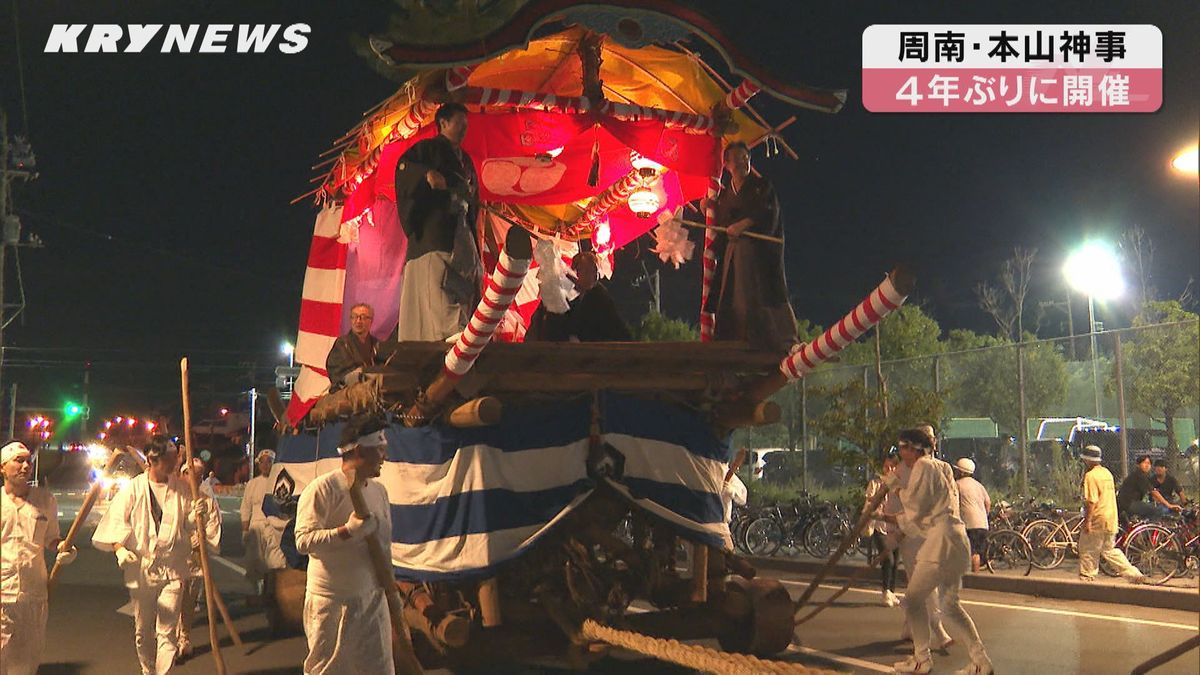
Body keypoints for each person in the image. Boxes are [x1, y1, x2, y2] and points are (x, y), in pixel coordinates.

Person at [92, 437, 220, 675]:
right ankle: (148, 670)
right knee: (143, 629)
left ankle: (164, 672)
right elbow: (118, 521)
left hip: (173, 568)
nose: (174, 463)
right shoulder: (134, 488)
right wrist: (119, 549)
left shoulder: (181, 488)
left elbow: (188, 523)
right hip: (142, 570)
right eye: (169, 459)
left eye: (175, 458)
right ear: (152, 460)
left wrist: (198, 515)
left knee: (167, 629)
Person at [879, 429, 992, 675]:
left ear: (914, 448)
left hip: (941, 542)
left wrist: (896, 488)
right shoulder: (940, 468)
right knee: (950, 605)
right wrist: (891, 516)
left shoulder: (924, 467)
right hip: (955, 540)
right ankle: (981, 662)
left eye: (902, 447)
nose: (900, 453)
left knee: (913, 600)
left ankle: (922, 659)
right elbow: (921, 511)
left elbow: (916, 508)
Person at [295, 416, 395, 674]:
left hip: (372, 598)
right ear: (360, 450)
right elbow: (303, 540)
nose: (385, 455)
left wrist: (390, 589)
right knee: (328, 669)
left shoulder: (379, 491)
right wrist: (347, 532)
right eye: (380, 449)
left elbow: (383, 545)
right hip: (331, 602)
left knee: (378, 668)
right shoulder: (322, 489)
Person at [395, 102, 482, 341]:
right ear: (443, 123)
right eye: (459, 123)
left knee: (464, 279)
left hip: (459, 230)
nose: (464, 129)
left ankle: (458, 328)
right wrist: (426, 175)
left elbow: (474, 197)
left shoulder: (466, 160)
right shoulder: (427, 149)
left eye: (466, 125)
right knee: (436, 283)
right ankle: (448, 332)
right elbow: (405, 168)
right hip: (434, 232)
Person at [703, 141, 797, 353]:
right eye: (737, 159)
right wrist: (708, 208)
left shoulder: (762, 186)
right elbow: (722, 226)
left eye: (746, 158)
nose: (743, 162)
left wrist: (744, 224)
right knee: (731, 296)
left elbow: (767, 213)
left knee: (756, 293)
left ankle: (773, 339)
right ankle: (733, 339)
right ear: (726, 164)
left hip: (757, 256)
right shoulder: (725, 196)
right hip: (732, 257)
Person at [1, 441, 76, 675]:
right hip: (2, 591)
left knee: (29, 655)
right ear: (2, 467)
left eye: (28, 461)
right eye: (18, 461)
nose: (25, 466)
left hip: (34, 593)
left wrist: (64, 548)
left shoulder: (46, 500)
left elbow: (52, 538)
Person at [525, 252, 631, 342]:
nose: (590, 276)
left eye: (593, 271)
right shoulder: (559, 292)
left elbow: (616, 327)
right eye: (585, 271)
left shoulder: (600, 296)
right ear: (575, 272)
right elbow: (547, 324)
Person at [1079, 445, 1145, 583]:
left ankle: (1087, 577)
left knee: (1087, 549)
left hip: (1098, 517)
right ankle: (1133, 573)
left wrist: (1088, 521)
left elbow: (1091, 501)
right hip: (1111, 516)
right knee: (1109, 549)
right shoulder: (1106, 473)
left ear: (1087, 460)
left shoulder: (1090, 476)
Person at [241, 449, 287, 594]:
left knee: (275, 561)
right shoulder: (252, 484)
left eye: (269, 462)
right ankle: (255, 593)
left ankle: (272, 591)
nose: (266, 465)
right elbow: (246, 508)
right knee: (254, 561)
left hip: (273, 526)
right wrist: (245, 529)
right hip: (255, 527)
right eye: (263, 462)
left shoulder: (279, 482)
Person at [864, 449, 901, 607]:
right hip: (880, 527)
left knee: (895, 560)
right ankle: (885, 591)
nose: (890, 470)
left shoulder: (900, 485)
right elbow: (868, 502)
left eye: (893, 466)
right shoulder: (876, 483)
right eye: (887, 466)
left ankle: (891, 591)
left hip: (896, 527)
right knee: (888, 559)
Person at [326, 303, 380, 390]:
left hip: (373, 388)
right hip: (348, 391)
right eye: (354, 317)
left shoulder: (376, 344)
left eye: (363, 317)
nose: (358, 321)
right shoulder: (343, 343)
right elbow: (340, 374)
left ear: (371, 321)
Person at [1117, 454, 1181, 525]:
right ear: (1138, 465)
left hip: (1124, 504)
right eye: (1144, 463)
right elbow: (1153, 491)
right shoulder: (1139, 475)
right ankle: (1151, 532)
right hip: (1129, 504)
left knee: (1148, 509)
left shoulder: (1139, 475)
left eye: (1149, 463)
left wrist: (1159, 501)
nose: (1147, 465)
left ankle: (1142, 528)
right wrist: (1169, 505)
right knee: (1158, 510)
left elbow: (1151, 493)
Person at [953, 458, 990, 573]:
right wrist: (984, 515)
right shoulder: (979, 485)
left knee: (971, 552)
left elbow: (952, 503)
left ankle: (973, 578)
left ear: (961, 472)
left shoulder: (957, 485)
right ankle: (975, 575)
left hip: (969, 524)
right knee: (976, 552)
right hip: (982, 524)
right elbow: (988, 502)